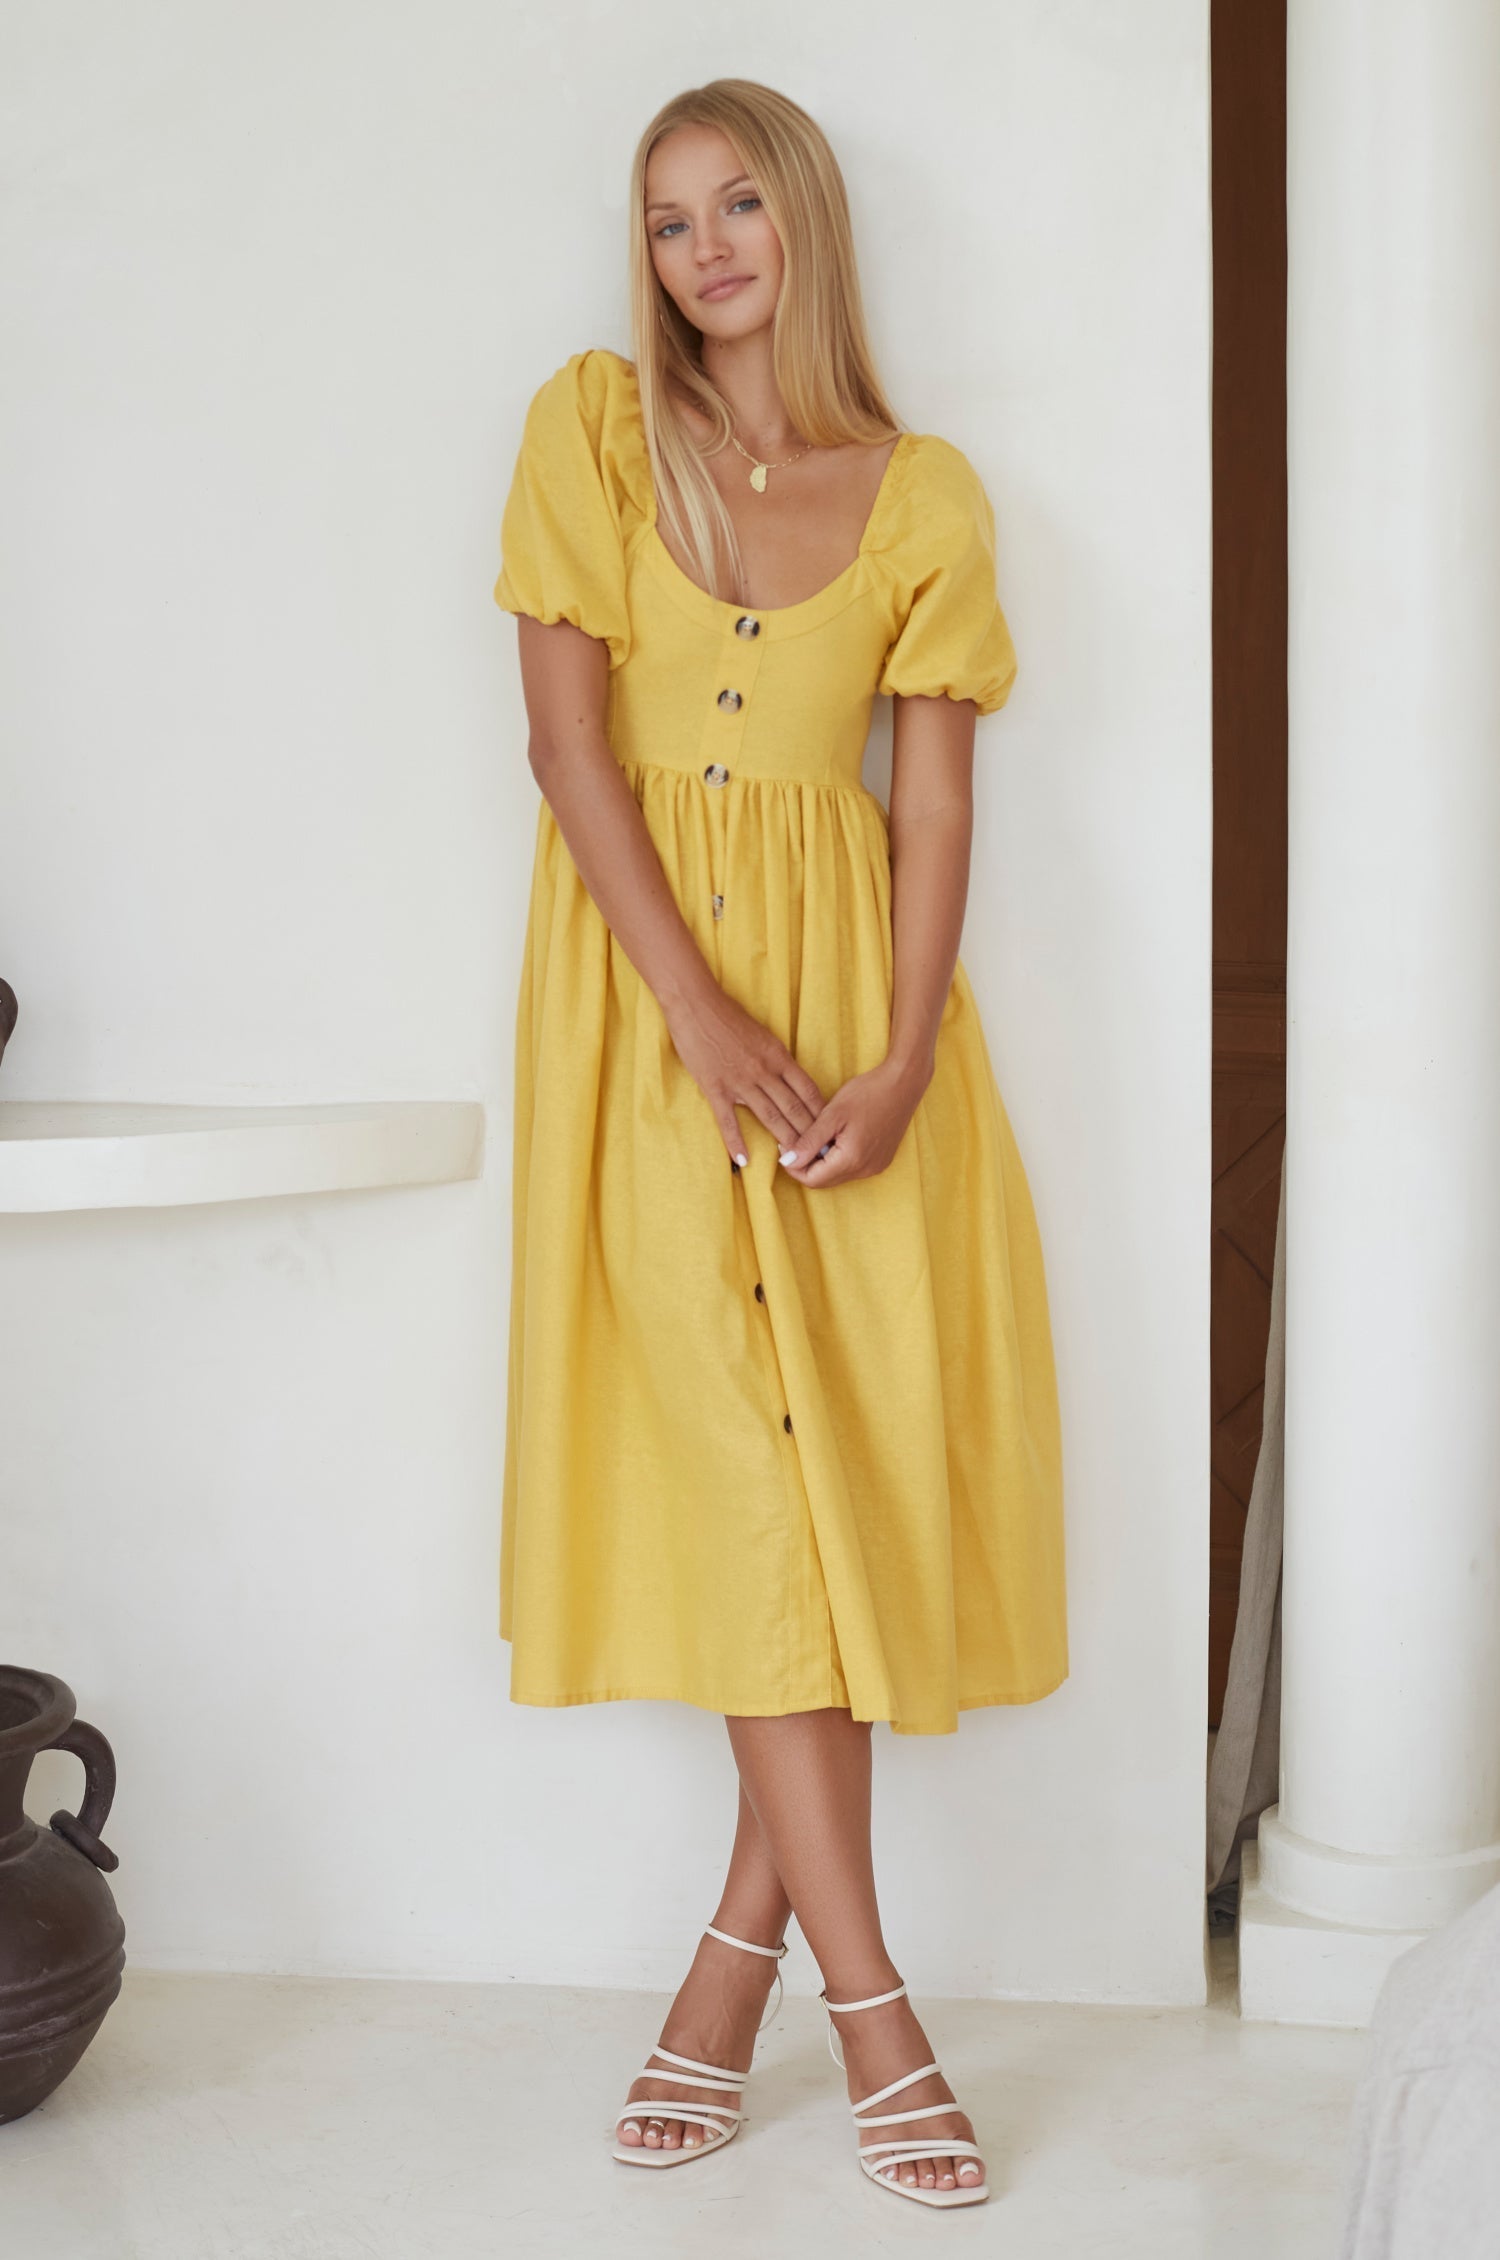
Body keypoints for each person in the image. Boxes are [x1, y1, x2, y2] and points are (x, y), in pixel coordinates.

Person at [491, 76, 1067, 2212]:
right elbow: (567, 749)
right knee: (748, 1486)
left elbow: (935, 800)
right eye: (669, 220)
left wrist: (898, 1059)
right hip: (651, 1027)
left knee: (829, 1510)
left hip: (855, 1047)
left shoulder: (925, 493)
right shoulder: (595, 432)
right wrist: (700, 1014)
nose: (707, 249)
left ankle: (728, 1970)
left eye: (741, 205)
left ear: (807, 223)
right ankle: (876, 2009)